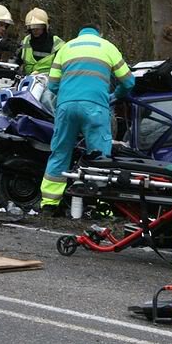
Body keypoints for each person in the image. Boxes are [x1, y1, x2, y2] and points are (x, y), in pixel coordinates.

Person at [39, 23, 135, 215]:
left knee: (60, 152)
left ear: (79, 33)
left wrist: (68, 94)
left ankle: (49, 203)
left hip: (66, 107)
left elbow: (52, 85)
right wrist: (114, 95)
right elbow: (129, 81)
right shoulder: (107, 47)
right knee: (99, 156)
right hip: (95, 107)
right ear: (100, 33)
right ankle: (99, 204)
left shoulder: (65, 48)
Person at [15, 7, 65, 75]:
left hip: (48, 82)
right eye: (32, 27)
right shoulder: (26, 41)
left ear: (45, 26)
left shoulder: (57, 43)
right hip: (28, 81)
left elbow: (62, 67)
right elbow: (17, 61)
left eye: (39, 26)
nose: (35, 30)